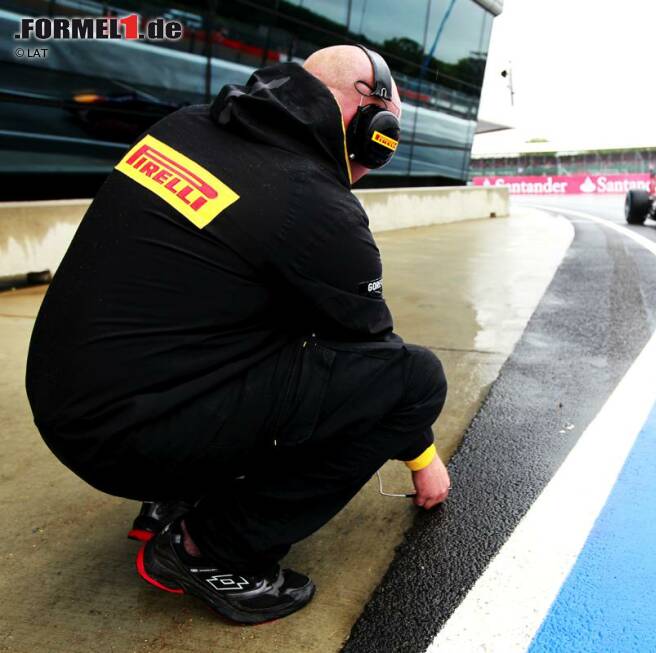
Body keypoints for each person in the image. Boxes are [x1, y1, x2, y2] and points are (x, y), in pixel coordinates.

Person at [25, 45, 451, 624]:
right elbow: (378, 360)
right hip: (132, 437)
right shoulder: (315, 202)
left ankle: (175, 494)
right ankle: (208, 549)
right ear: (370, 124)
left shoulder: (182, 126)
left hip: (66, 405)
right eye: (386, 138)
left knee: (260, 316)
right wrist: (422, 454)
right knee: (416, 379)